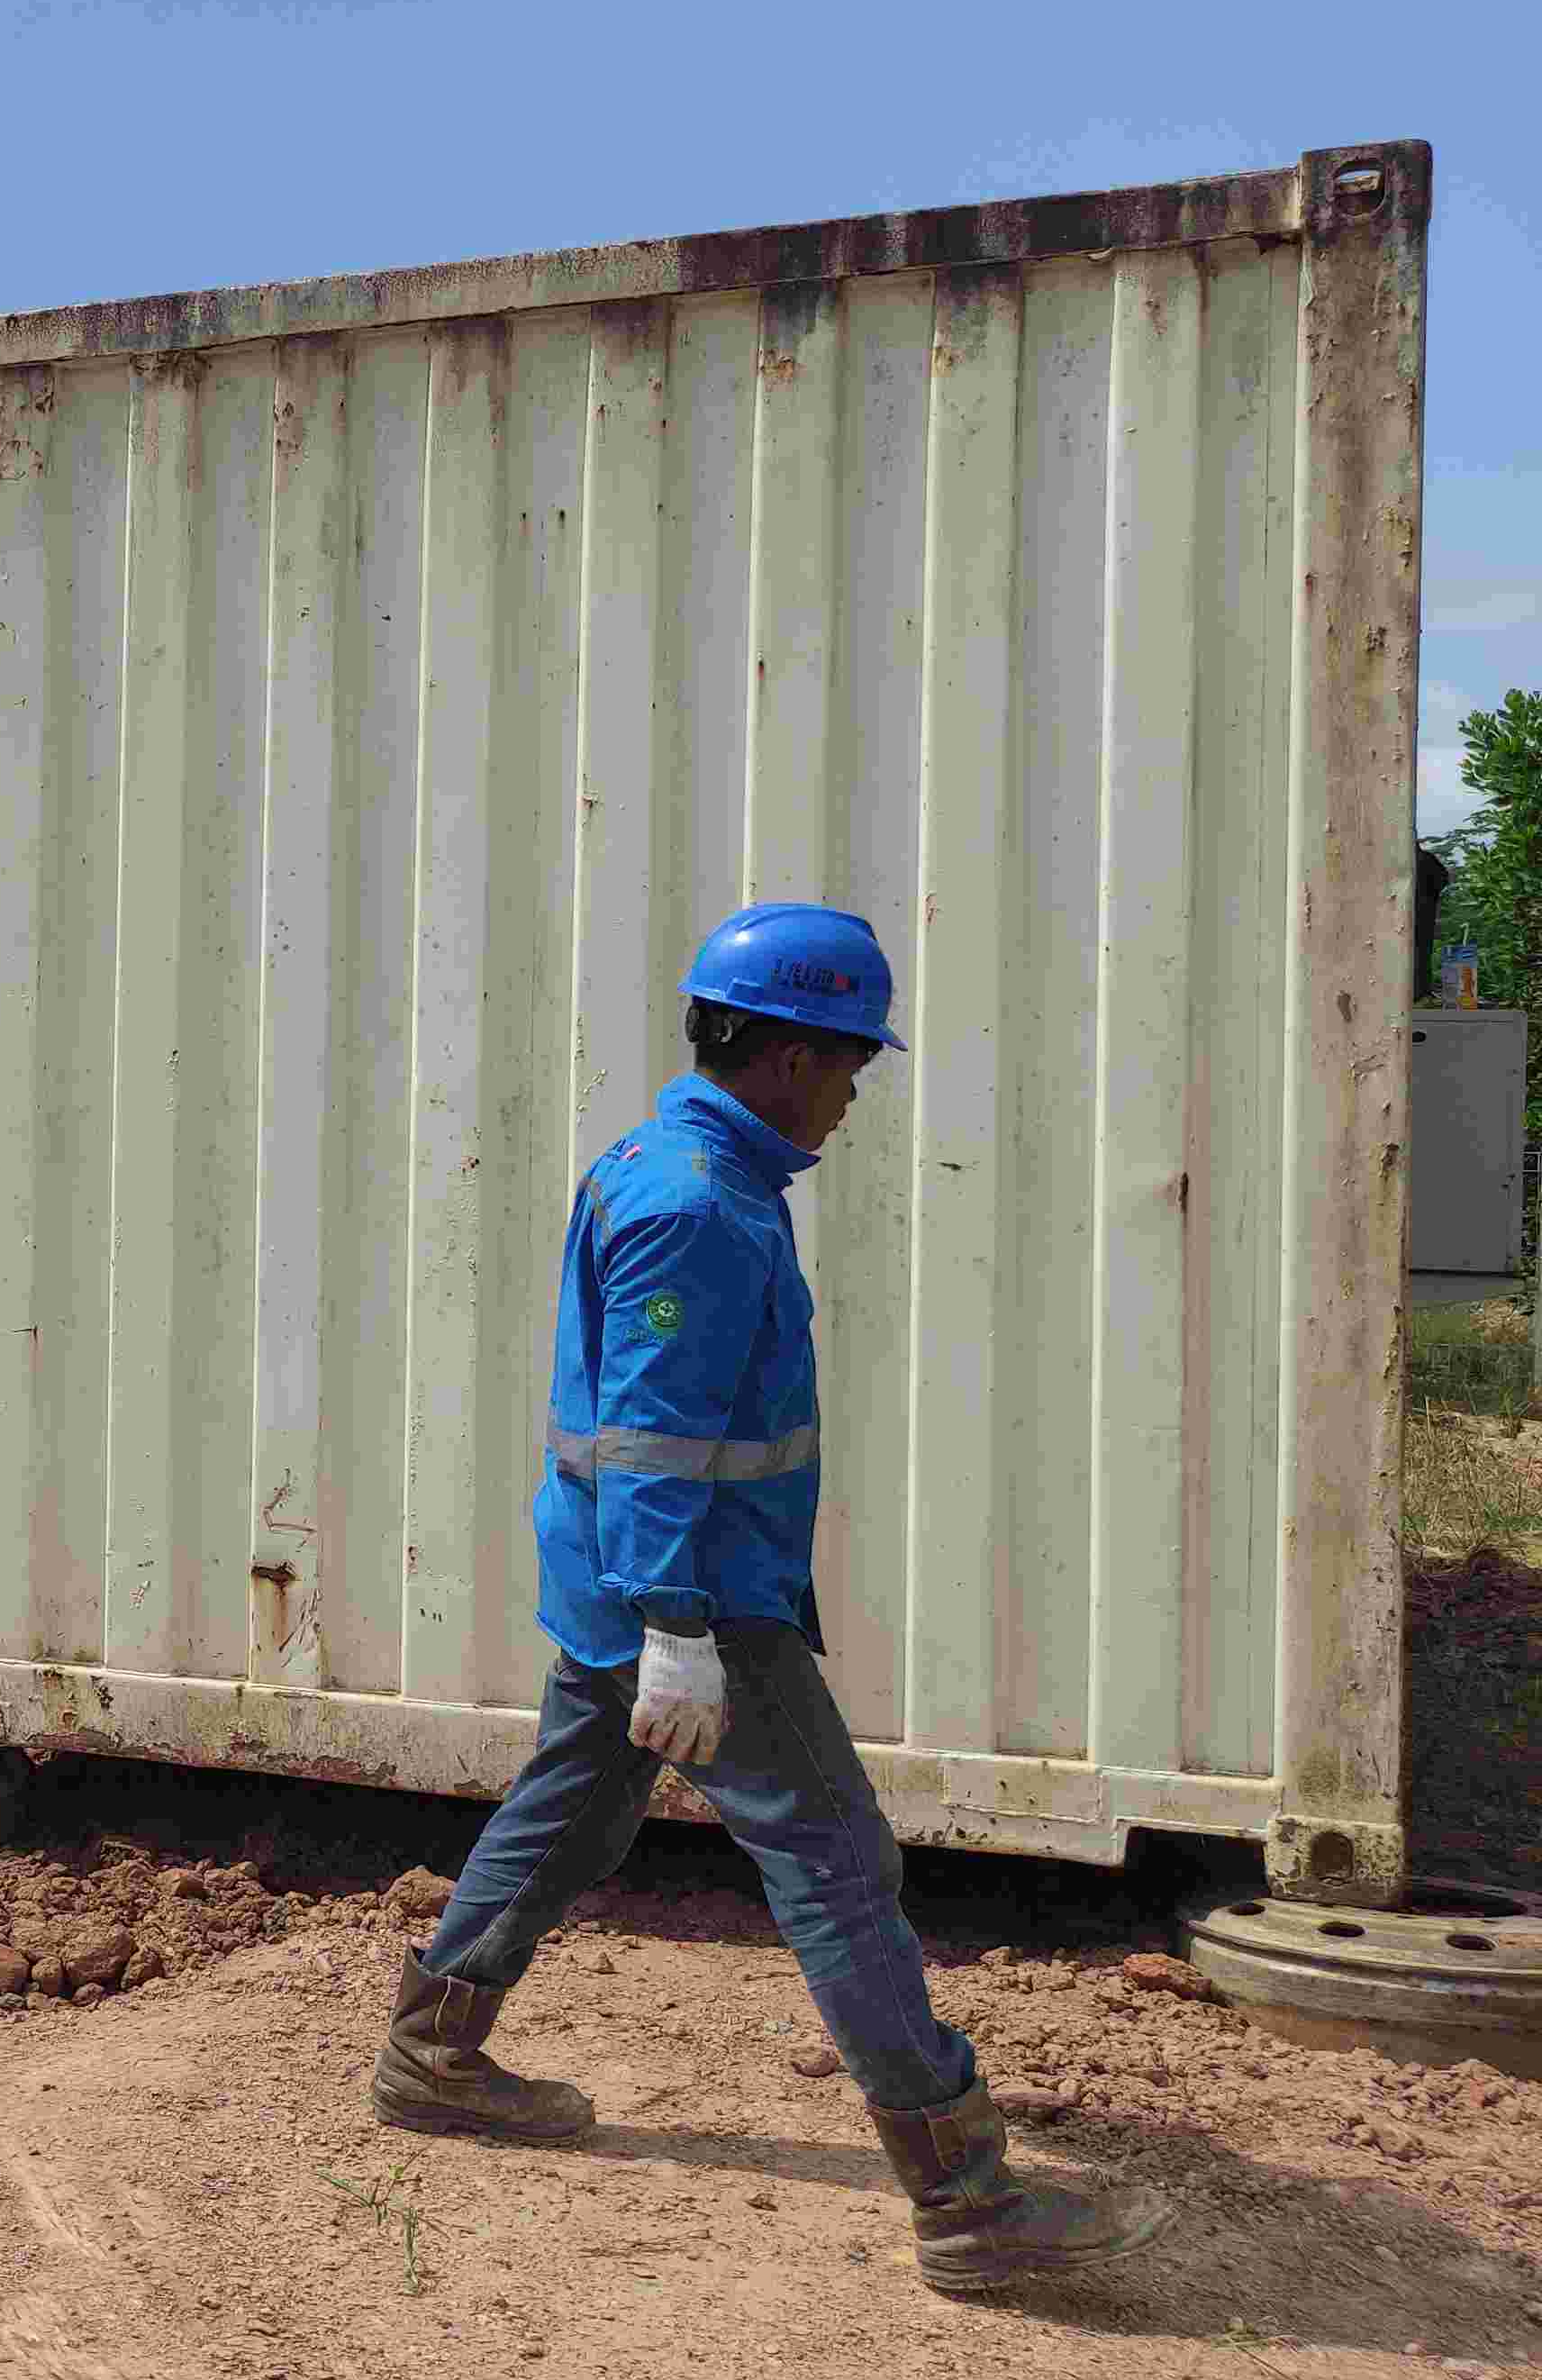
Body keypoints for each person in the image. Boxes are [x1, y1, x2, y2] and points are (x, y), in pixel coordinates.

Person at [368, 904, 1167, 2297]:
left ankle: (434, 2047)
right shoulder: (701, 1207)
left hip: (625, 1585)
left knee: (573, 1809)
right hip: (697, 1603)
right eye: (852, 1062)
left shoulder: (664, 1163)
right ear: (791, 1056)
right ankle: (965, 2194)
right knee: (838, 1867)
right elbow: (654, 1439)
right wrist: (678, 1627)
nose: (856, 1094)